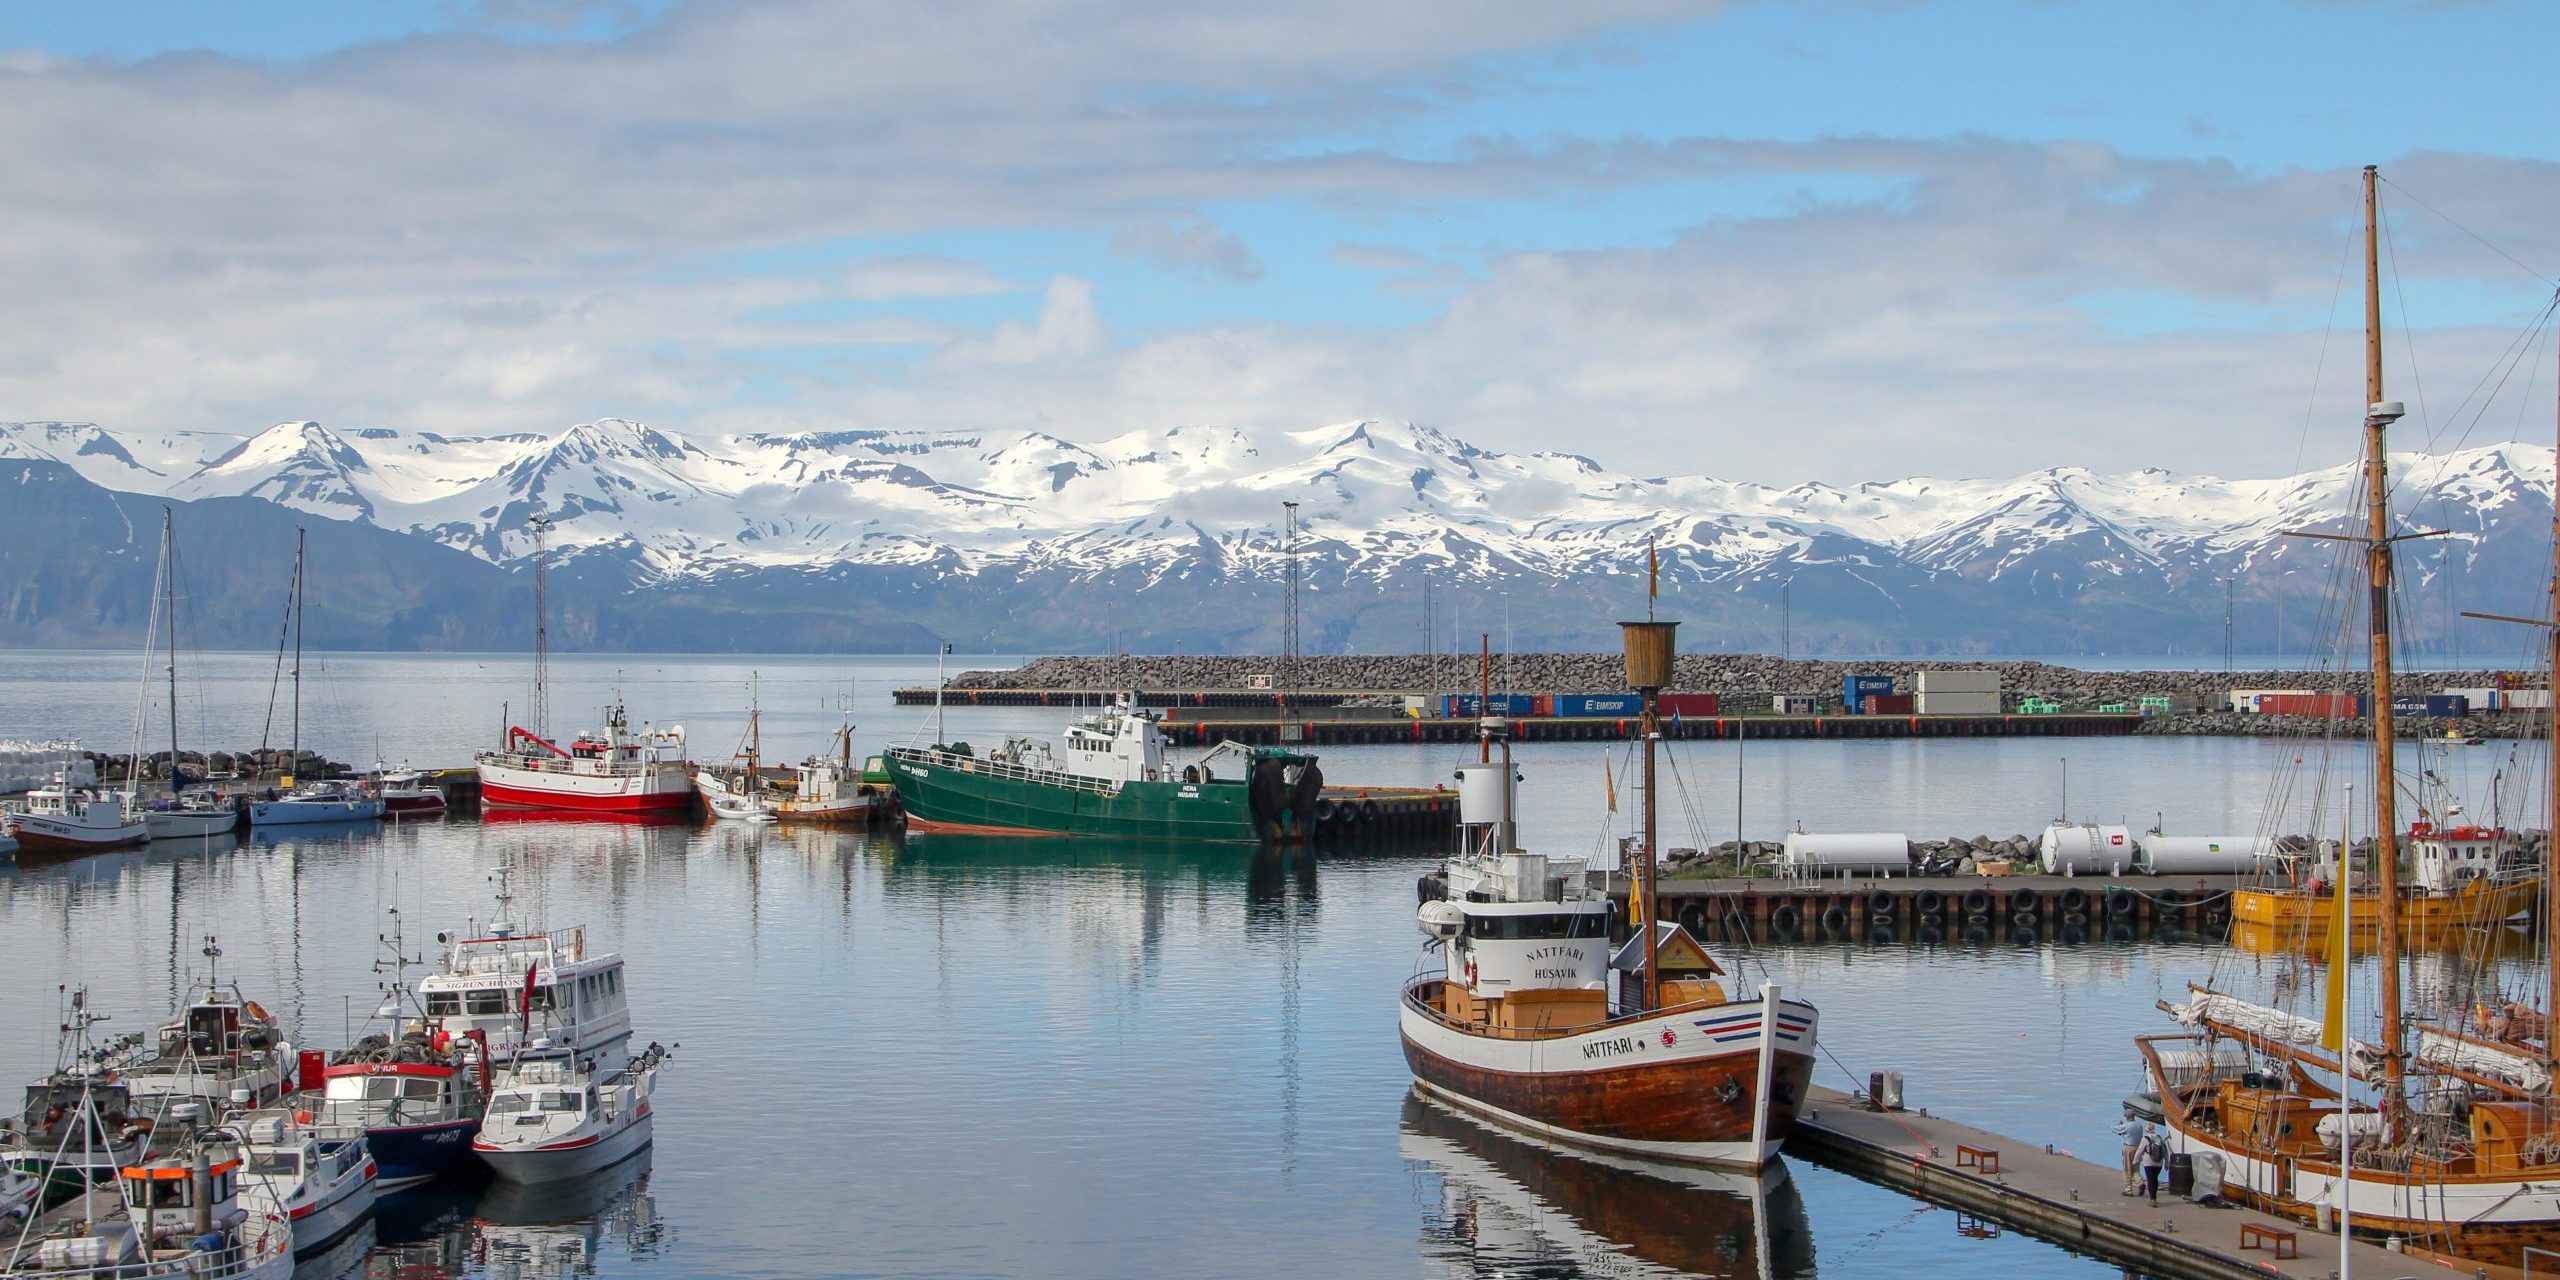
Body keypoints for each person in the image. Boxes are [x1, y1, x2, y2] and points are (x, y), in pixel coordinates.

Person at [2112, 1107, 2143, 1195]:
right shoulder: (2139, 1126)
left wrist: (2119, 1124)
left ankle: (2128, 1189)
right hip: (2138, 1148)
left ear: (2127, 1116)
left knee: (2127, 1169)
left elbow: (2113, 1128)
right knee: (2136, 1169)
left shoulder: (2127, 1126)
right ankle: (2140, 1182)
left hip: (2128, 1149)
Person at [2140, 1122, 2169, 1204]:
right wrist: (2167, 1162)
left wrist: (2135, 1161)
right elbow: (2165, 1151)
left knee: (2150, 1180)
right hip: (2159, 1163)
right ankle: (2154, 1198)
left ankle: (2152, 1199)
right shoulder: (2159, 1138)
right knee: (2155, 1180)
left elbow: (2139, 1151)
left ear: (2146, 1130)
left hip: (2148, 1163)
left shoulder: (2145, 1139)